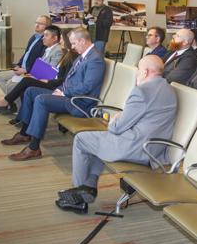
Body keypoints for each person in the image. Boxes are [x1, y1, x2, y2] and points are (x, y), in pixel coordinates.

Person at [56, 55, 178, 213]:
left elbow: (116, 128)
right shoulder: (169, 89)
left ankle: (78, 196)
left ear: (146, 72)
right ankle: (89, 186)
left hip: (135, 148)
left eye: (138, 71)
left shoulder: (142, 92)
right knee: (98, 141)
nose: (137, 74)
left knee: (82, 139)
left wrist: (115, 119)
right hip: (155, 151)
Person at [2, 27, 105, 160]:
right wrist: (60, 89)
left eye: (74, 43)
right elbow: (69, 79)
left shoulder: (95, 59)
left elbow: (87, 86)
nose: (72, 47)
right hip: (69, 96)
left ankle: (33, 148)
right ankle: (24, 133)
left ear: (82, 41)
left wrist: (64, 92)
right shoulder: (84, 56)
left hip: (79, 103)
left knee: (41, 100)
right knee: (30, 91)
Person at [0, 31, 78, 115]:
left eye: (61, 39)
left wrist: (44, 79)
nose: (60, 41)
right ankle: (17, 111)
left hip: (54, 84)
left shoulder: (69, 56)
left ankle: (6, 102)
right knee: (22, 83)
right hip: (50, 79)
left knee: (26, 82)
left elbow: (62, 78)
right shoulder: (66, 53)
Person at [0, 15, 50, 95]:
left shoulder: (46, 41)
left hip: (29, 72)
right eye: (36, 22)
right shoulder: (34, 37)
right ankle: (12, 100)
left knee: (10, 84)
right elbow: (26, 53)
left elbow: (41, 61)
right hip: (21, 68)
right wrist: (18, 64)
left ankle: (10, 101)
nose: (37, 25)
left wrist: (26, 70)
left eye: (41, 23)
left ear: (47, 27)